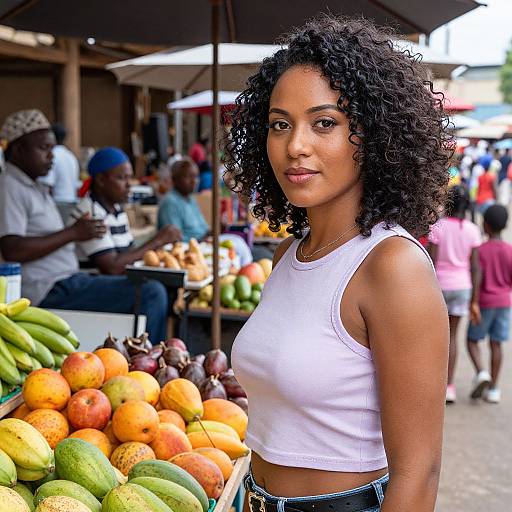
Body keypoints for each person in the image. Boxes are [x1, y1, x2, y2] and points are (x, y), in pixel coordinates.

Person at [226, 16, 449, 512]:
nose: (295, 145)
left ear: (373, 135)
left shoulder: (392, 267)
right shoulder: (290, 254)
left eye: (324, 123)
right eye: (279, 124)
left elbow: (420, 473)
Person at [0, 110, 169, 343]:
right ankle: (149, 363)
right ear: (19, 150)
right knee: (151, 293)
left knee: (154, 289)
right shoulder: (10, 187)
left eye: (52, 149)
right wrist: (73, 233)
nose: (52, 156)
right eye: (44, 149)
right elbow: (12, 249)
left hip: (66, 281)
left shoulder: (33, 186)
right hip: (47, 289)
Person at [71, 147, 181, 273]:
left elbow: (129, 254)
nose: (129, 184)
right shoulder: (89, 213)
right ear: (101, 180)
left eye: (129, 178)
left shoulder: (117, 210)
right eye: (122, 178)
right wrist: (158, 240)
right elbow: (112, 267)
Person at [428, 185, 481, 403]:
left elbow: (429, 260)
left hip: (438, 286)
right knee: (452, 337)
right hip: (462, 287)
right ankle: (449, 387)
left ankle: (432, 382)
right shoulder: (472, 230)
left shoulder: (439, 227)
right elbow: (476, 267)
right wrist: (475, 301)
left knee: (432, 338)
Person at [158, 158, 254, 265]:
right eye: (187, 177)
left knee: (238, 242)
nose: (193, 181)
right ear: (174, 179)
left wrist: (216, 229)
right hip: (192, 250)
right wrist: (202, 240)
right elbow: (175, 241)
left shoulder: (190, 199)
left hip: (206, 241)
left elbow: (202, 230)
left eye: (195, 177)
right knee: (237, 247)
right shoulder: (170, 202)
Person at [467, 204, 512, 403]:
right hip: (503, 303)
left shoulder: (481, 251)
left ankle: (482, 372)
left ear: (485, 225)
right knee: (497, 344)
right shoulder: (509, 250)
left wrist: (473, 301)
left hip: (484, 302)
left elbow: (476, 276)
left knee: (472, 340)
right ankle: (494, 389)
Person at [38, 123, 80, 218]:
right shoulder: (71, 156)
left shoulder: (51, 155)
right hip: (72, 202)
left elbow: (48, 185)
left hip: (57, 203)